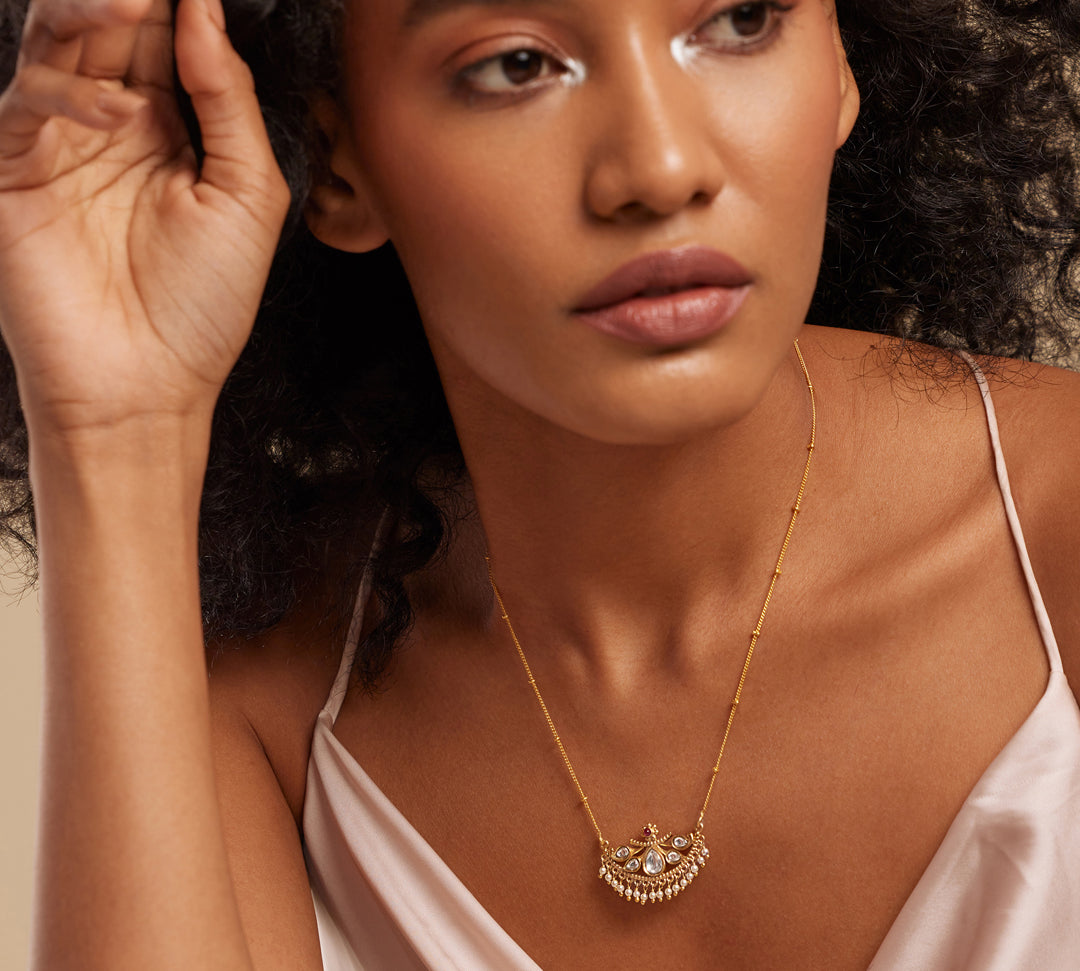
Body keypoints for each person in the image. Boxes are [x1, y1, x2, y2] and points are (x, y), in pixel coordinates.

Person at [1, 0, 1079, 967]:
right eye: (516, 64)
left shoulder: (1061, 518)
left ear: (840, 60)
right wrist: (115, 433)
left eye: (742, 20)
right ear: (332, 161)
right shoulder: (268, 687)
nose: (661, 166)